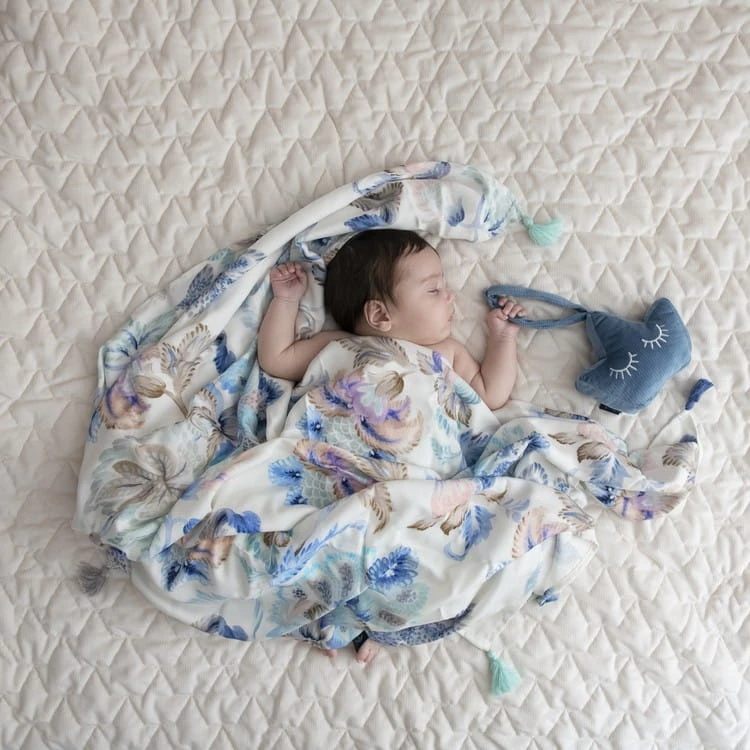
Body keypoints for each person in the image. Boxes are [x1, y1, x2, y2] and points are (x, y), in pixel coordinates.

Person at [257, 229, 525, 664]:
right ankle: (338, 610)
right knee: (332, 535)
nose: (451, 296)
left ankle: (383, 620)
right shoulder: (339, 346)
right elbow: (277, 359)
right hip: (347, 467)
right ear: (380, 315)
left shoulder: (446, 352)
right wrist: (286, 301)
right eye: (433, 289)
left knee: (419, 542)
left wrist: (503, 339)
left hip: (419, 476)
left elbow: (490, 394)